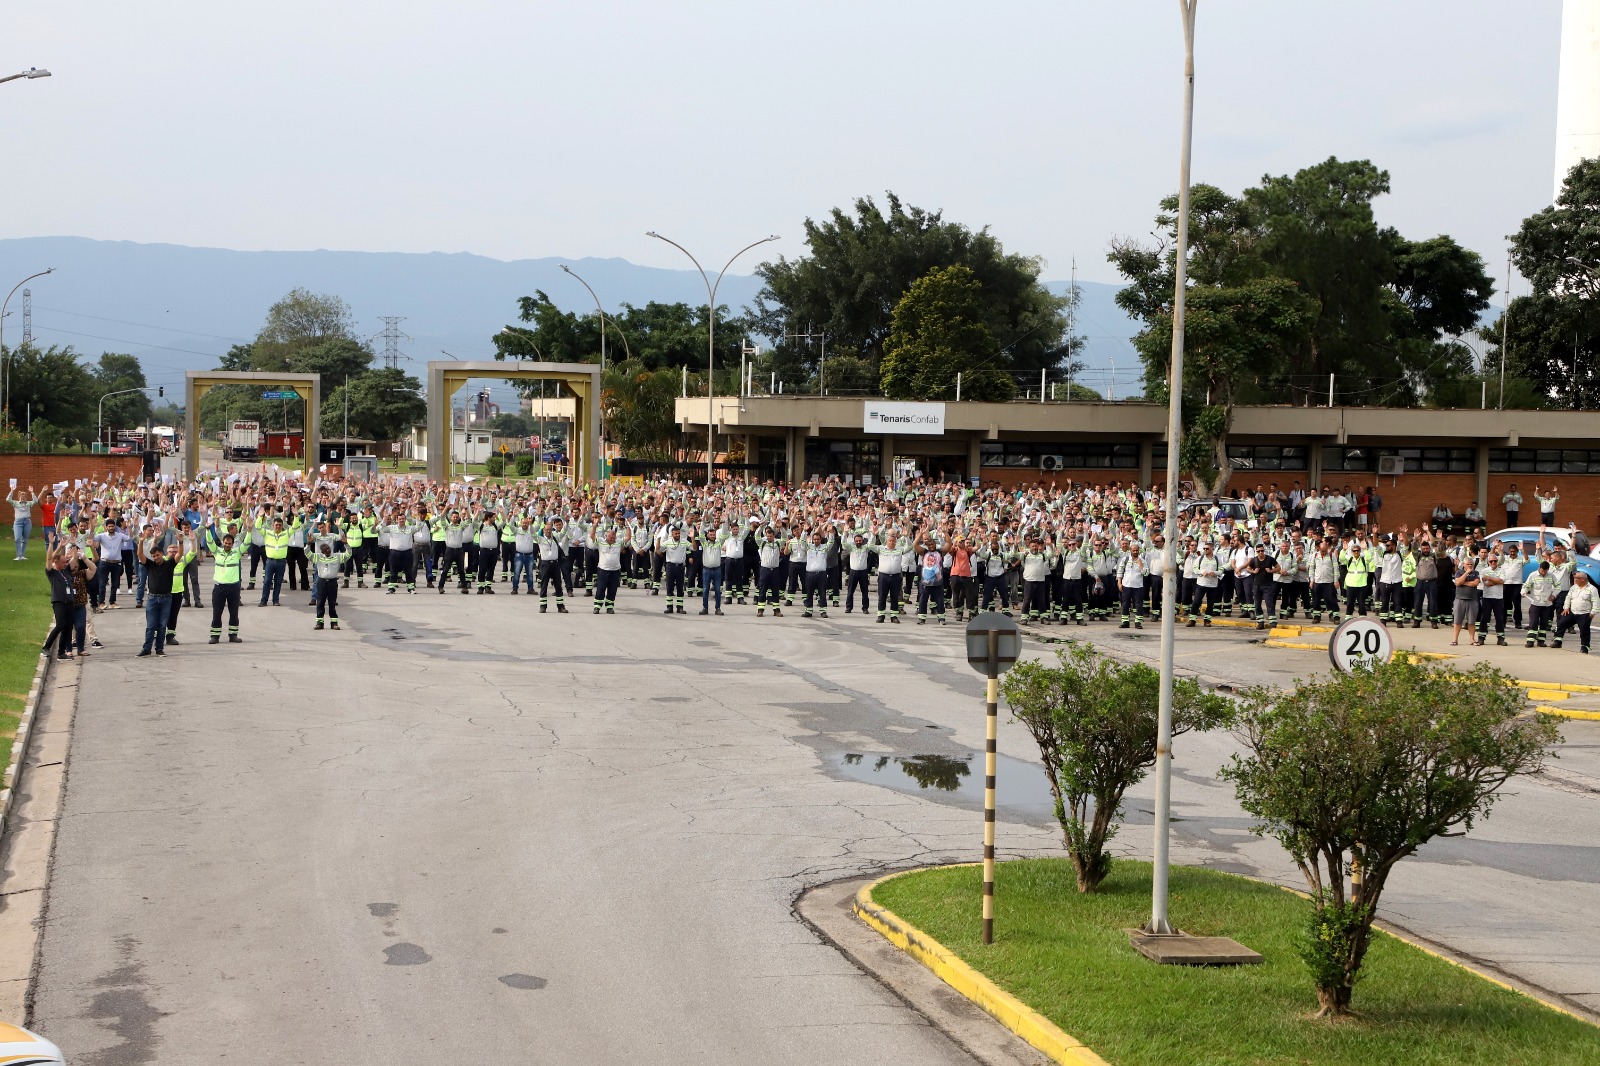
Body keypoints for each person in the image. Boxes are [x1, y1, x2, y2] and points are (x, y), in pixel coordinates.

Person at [136, 536, 181, 657]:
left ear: (162, 553)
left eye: (157, 555)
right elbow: (140, 555)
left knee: (162, 626)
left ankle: (159, 649)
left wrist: (181, 542)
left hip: (166, 598)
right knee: (151, 626)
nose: (156, 558)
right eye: (154, 556)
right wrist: (140, 542)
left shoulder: (170, 564)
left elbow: (179, 554)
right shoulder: (150, 565)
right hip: (152, 599)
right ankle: (146, 649)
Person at [1550, 570, 1595, 653]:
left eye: (1576, 578)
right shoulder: (1573, 587)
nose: (1574, 580)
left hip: (1584, 613)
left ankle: (1584, 647)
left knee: (1584, 630)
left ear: (1583, 579)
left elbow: (1596, 602)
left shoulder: (1592, 589)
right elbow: (1568, 598)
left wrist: (1593, 612)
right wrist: (1566, 608)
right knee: (1561, 622)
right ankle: (1557, 641)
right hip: (1572, 612)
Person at [312, 539, 351, 631]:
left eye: (328, 549)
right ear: (322, 552)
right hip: (321, 582)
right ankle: (319, 623)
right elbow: (308, 554)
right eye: (325, 550)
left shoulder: (337, 556)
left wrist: (346, 544)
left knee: (332, 603)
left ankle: (334, 623)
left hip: (332, 582)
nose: (328, 551)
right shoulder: (318, 557)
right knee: (320, 603)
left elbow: (348, 554)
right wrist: (309, 544)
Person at [1450, 556, 1481, 647]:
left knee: (1471, 621)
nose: (1470, 566)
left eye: (1471, 565)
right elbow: (1457, 582)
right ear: (1464, 565)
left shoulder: (1476, 573)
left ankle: (1472, 639)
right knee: (1458, 621)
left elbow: (1475, 583)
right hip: (1460, 599)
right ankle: (1455, 639)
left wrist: (1463, 583)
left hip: (1472, 600)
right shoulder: (1459, 572)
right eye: (1468, 564)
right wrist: (1466, 573)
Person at [9, 484, 38, 561]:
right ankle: (18, 555)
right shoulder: (15, 503)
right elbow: (8, 500)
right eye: (21, 497)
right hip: (18, 523)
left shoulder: (28, 503)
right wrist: (12, 491)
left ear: (26, 498)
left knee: (25, 539)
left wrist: (32, 492)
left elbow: (35, 501)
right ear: (19, 497)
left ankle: (22, 555)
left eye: (24, 497)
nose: (23, 498)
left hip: (27, 522)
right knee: (17, 538)